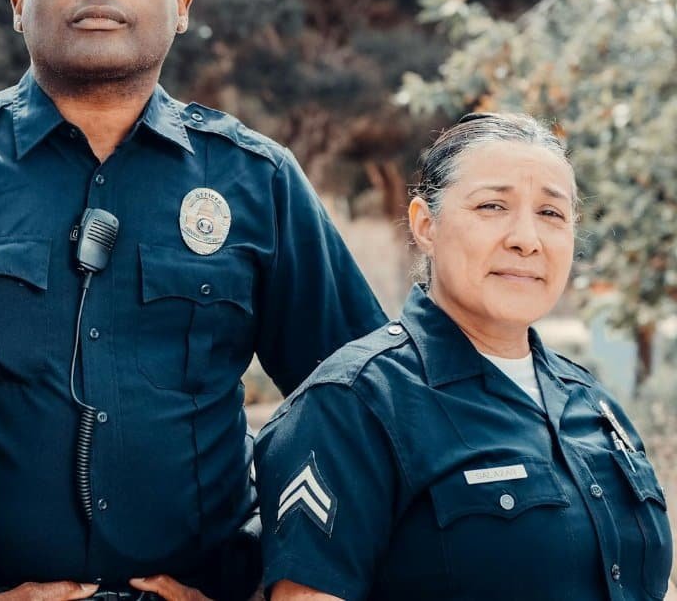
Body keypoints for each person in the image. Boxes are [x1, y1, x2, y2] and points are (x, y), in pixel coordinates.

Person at [0, 0, 386, 598]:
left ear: (181, 5)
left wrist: (287, 579)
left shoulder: (257, 180)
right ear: (17, 2)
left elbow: (361, 408)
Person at [255, 113, 674, 601]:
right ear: (425, 225)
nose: (526, 238)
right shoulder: (354, 405)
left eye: (552, 214)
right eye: (493, 206)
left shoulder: (593, 405)